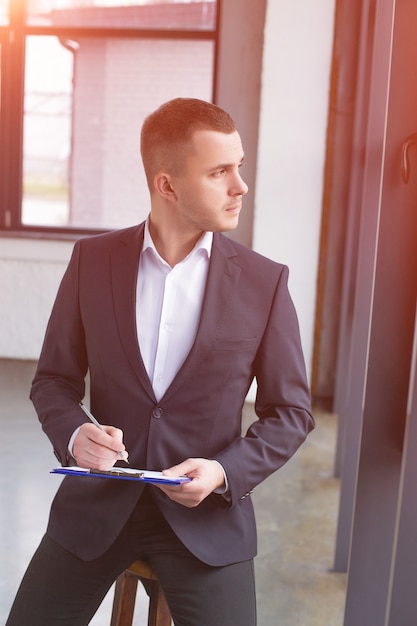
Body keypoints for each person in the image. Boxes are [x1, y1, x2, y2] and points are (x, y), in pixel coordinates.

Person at [6, 98, 314, 626]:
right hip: (96, 510)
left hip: (208, 523)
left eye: (239, 167)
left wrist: (222, 471)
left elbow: (291, 414)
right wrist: (77, 434)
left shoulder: (266, 283)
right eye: (220, 172)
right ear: (166, 185)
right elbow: (54, 381)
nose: (240, 185)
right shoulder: (92, 262)